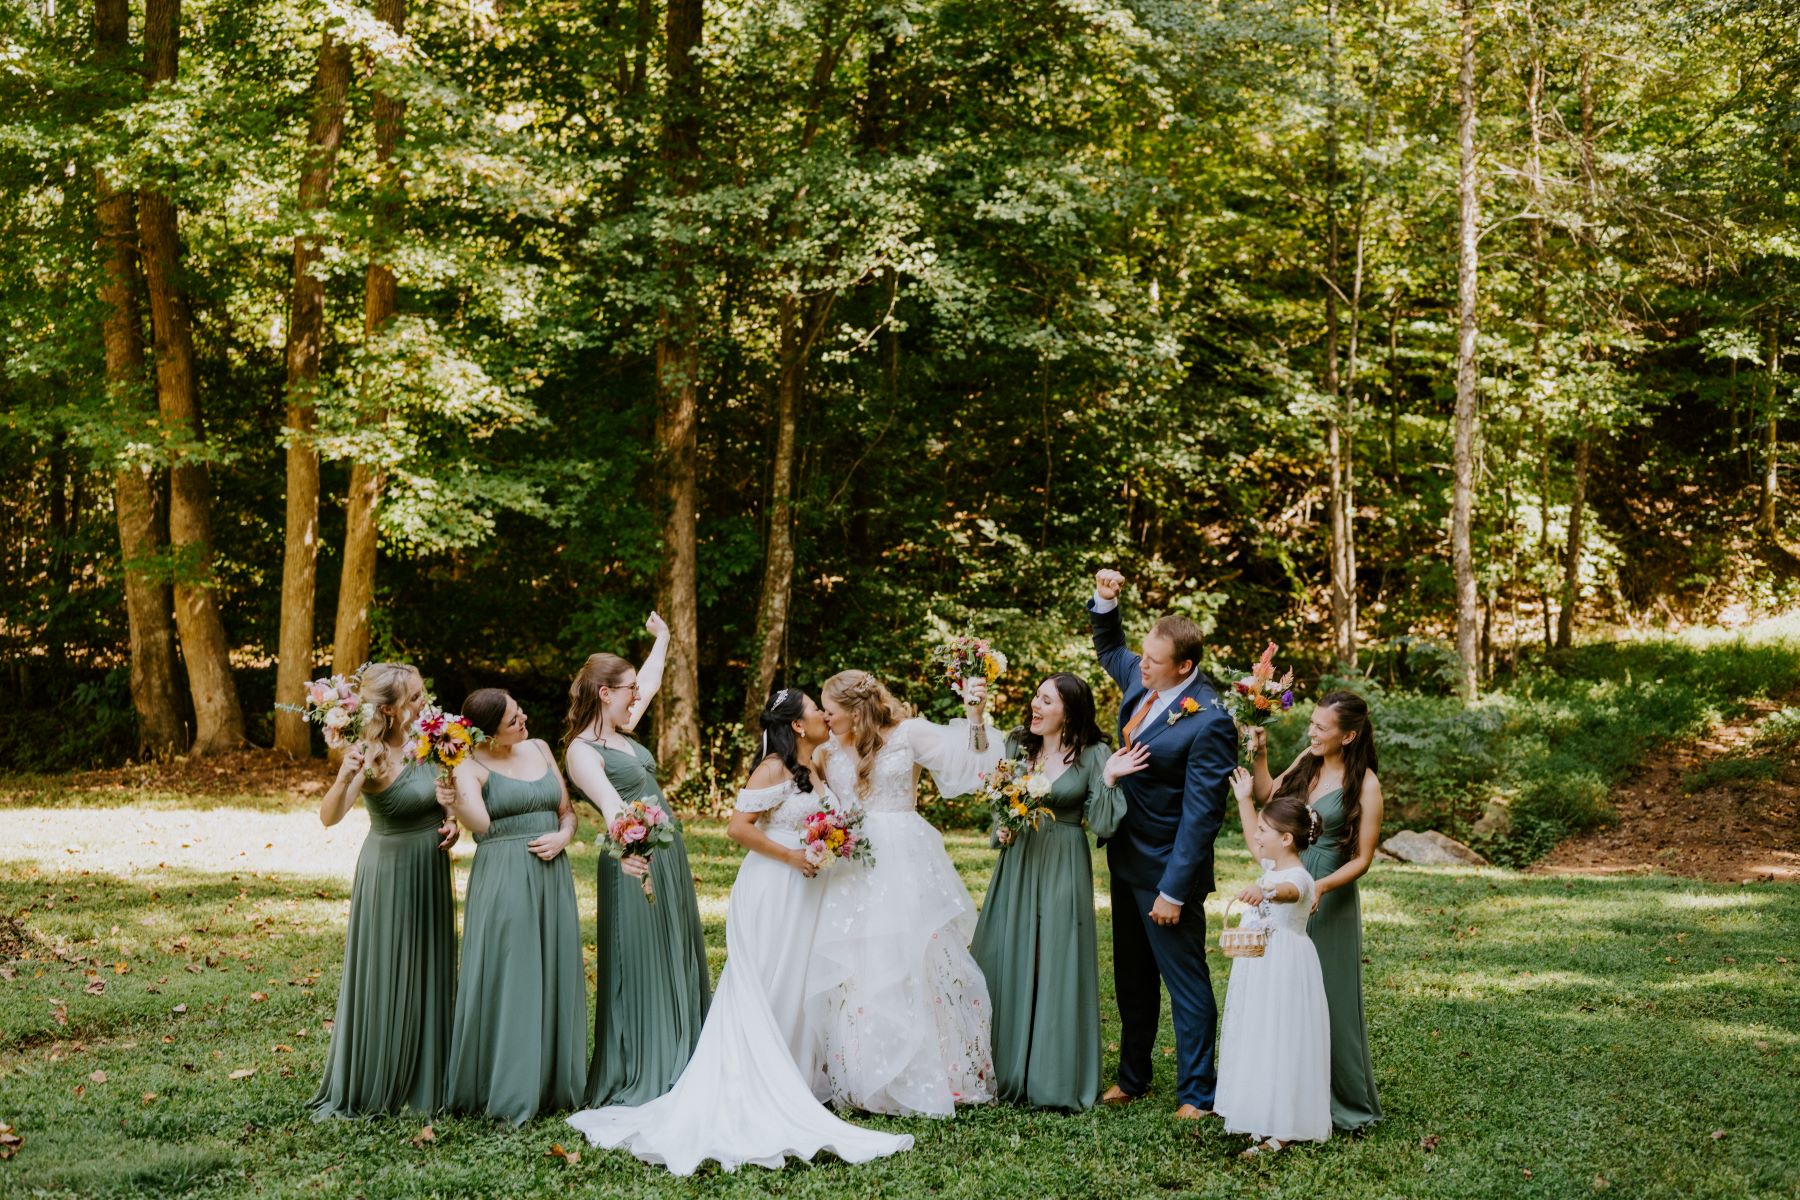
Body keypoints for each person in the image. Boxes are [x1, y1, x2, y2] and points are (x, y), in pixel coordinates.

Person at [565, 689, 913, 1174]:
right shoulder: (771, 767)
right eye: (814, 709)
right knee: (767, 983)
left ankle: (795, 1078)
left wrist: (831, 843)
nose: (821, 715)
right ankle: (754, 1083)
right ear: (796, 725)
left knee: (797, 983)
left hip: (808, 891)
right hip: (774, 886)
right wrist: (794, 855)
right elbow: (739, 827)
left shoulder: (815, 767)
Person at [805, 668, 1003, 1117]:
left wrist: (975, 715)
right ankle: (861, 1073)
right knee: (857, 967)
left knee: (914, 959)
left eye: (831, 710)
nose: (825, 717)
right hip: (852, 863)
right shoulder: (826, 750)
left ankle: (931, 1073)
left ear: (856, 711)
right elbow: (800, 789)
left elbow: (971, 765)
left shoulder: (909, 733)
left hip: (905, 861)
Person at [1086, 567, 1238, 1118]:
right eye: (1142, 655)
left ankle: (1198, 1093)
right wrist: (1106, 600)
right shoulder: (1143, 680)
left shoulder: (1211, 722)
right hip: (1126, 859)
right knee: (1132, 977)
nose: (1139, 663)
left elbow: (1202, 816)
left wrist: (1174, 892)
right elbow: (1110, 647)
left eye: (1151, 659)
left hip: (1168, 873)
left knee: (1186, 983)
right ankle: (1133, 1076)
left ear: (1185, 667)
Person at [969, 672, 1145, 1110]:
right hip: (1019, 860)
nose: (1035, 705)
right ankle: (999, 1068)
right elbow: (999, 800)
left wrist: (1109, 779)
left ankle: (1051, 1078)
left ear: (1069, 710)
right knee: (1004, 953)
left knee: (1056, 958)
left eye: (1046, 700)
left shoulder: (1093, 754)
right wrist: (1003, 828)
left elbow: (1103, 824)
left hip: (1064, 860)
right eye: (1036, 697)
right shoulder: (1016, 745)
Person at [563, 613, 711, 1107]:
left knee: (674, 943)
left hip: (665, 854)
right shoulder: (582, 752)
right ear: (605, 693)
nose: (637, 694)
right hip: (635, 860)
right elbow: (611, 806)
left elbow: (647, 681)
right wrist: (629, 850)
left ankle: (687, 1047)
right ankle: (647, 1059)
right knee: (643, 956)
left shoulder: (623, 729)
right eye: (626, 689)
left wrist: (664, 638)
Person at [309, 662, 457, 1119]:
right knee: (389, 969)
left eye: (422, 693)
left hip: (429, 869)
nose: (424, 702)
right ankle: (380, 1075)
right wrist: (342, 776)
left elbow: (448, 795)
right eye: (414, 697)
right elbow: (329, 817)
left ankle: (428, 1078)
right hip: (388, 873)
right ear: (390, 710)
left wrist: (452, 821)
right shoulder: (368, 753)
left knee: (430, 966)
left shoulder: (433, 739)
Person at [441, 688, 586, 1125]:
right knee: (513, 977)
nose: (523, 720)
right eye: (512, 720)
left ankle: (553, 1084)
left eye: (520, 711)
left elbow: (567, 811)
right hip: (504, 877)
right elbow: (480, 825)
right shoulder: (469, 765)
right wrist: (456, 795)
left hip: (552, 876)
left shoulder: (540, 748)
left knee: (552, 971)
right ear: (487, 734)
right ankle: (506, 1086)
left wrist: (563, 837)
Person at [1247, 689, 1385, 1131]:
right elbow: (1268, 795)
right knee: (1289, 994)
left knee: (1330, 997)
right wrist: (1261, 755)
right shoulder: (1305, 763)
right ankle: (1292, 1095)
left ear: (1347, 736)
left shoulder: (1365, 784)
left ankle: (1344, 1102)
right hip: (1289, 883)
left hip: (1329, 893)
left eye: (1321, 727)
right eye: (1312, 722)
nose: (1312, 731)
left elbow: (1363, 858)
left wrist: (1320, 885)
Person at [1213, 787, 1332, 1155]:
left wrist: (1263, 892)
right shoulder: (1272, 865)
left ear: (1285, 838)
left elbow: (1287, 893)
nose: (1257, 836)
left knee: (1282, 1036)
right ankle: (1260, 1112)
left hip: (1284, 968)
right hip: (1260, 966)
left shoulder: (1298, 878)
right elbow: (1255, 843)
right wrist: (1245, 799)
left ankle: (1282, 1129)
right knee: (1259, 1033)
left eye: (1266, 830)